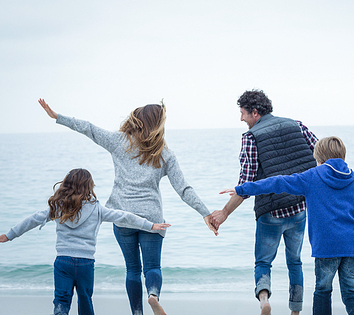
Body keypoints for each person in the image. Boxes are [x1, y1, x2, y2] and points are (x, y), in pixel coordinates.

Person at [38, 99, 217, 315]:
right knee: (152, 268)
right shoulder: (164, 153)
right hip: (152, 221)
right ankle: (153, 294)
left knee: (132, 269)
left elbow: (88, 128)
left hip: (122, 218)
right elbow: (184, 189)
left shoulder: (120, 142)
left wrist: (57, 116)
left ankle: (137, 313)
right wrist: (205, 213)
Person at [221, 136, 354, 315]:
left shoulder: (313, 177)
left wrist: (242, 189)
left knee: (322, 290)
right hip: (353, 246)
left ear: (319, 158)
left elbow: (278, 182)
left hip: (327, 247)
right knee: (351, 293)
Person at [0, 168, 170, 315]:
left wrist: (9, 235)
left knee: (61, 300)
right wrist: (150, 225)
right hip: (86, 264)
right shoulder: (97, 209)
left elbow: (33, 219)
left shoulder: (58, 207)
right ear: (89, 186)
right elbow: (123, 216)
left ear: (67, 184)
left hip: (63, 261)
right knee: (85, 301)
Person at [211, 90, 318, 315]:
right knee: (295, 262)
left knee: (263, 263)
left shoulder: (251, 137)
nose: (241, 119)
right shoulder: (297, 125)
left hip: (271, 212)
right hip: (299, 208)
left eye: (243, 114)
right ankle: (295, 312)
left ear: (255, 113)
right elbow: (321, 155)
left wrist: (224, 213)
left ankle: (264, 301)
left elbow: (246, 183)